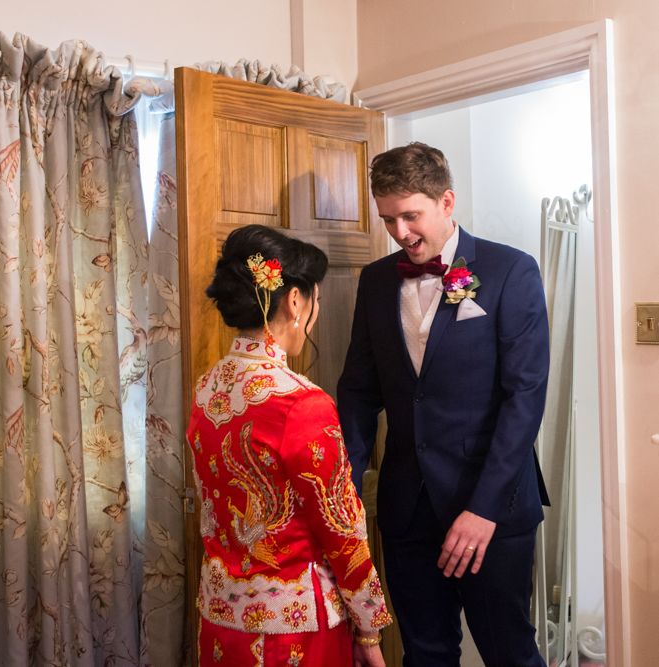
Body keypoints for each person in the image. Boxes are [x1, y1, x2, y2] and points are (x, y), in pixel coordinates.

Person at [337, 143, 550, 667]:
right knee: (425, 653)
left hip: (491, 509)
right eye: (389, 219)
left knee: (510, 654)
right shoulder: (376, 281)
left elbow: (524, 397)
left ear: (447, 201)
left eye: (411, 216)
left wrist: (483, 509)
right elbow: (360, 390)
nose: (401, 233)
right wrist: (344, 488)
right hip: (408, 509)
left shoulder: (510, 271)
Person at [186, 224, 391, 667]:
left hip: (221, 619)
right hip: (292, 632)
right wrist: (370, 629)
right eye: (314, 299)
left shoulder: (207, 389)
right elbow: (343, 530)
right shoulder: (301, 402)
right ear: (296, 301)